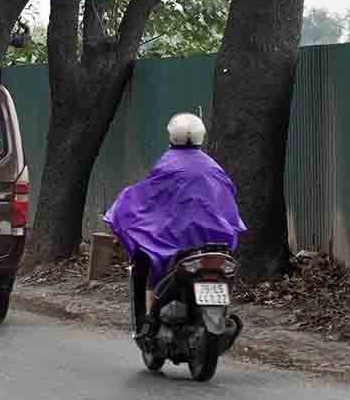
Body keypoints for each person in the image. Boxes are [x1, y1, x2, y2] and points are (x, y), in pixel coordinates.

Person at [103, 112, 246, 335]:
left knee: (153, 268)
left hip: (174, 242)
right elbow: (227, 198)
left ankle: (150, 324)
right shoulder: (213, 167)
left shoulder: (167, 164)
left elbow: (148, 197)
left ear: (172, 136)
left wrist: (122, 210)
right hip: (216, 241)